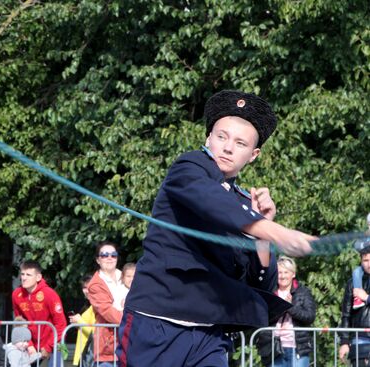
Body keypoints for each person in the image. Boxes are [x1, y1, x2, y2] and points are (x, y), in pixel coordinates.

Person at [118, 90, 315, 367]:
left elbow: (261, 284)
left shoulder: (246, 205)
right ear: (208, 138)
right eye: (221, 136)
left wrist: (263, 231)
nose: (228, 147)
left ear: (253, 154)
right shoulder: (189, 167)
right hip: (158, 324)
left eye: (240, 142)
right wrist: (274, 231)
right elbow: (209, 199)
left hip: (211, 334)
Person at [256, 256, 316, 366]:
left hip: (298, 348)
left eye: (286, 272)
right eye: (279, 273)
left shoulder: (303, 292)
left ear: (293, 274)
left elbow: (310, 316)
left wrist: (290, 307)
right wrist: (280, 307)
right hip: (273, 348)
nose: (282, 276)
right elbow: (261, 317)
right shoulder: (270, 291)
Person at [11, 260, 67, 367]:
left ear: (38, 277)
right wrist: (29, 345)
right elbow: (20, 323)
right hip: (31, 343)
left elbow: (61, 324)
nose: (24, 278)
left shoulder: (50, 294)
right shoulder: (16, 294)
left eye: (28, 275)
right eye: (22, 274)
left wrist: (48, 347)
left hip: (56, 342)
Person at [87, 241, 129, 367]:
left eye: (113, 254)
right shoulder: (95, 285)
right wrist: (132, 321)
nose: (109, 258)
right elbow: (107, 311)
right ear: (98, 260)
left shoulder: (127, 277)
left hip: (129, 344)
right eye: (104, 255)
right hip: (108, 348)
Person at [339, 240, 370, 366]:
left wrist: (367, 298)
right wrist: (344, 341)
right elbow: (346, 314)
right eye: (366, 260)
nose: (369, 264)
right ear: (361, 261)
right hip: (360, 340)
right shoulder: (353, 282)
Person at [69, 275, 96, 366]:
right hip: (84, 353)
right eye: (84, 287)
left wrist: (80, 321)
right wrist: (78, 324)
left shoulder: (99, 307)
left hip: (91, 356)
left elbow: (96, 333)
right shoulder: (87, 306)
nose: (87, 290)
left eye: (89, 287)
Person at [351, 213, 370, 309]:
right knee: (356, 271)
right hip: (365, 266)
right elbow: (357, 246)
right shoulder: (365, 236)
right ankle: (358, 298)